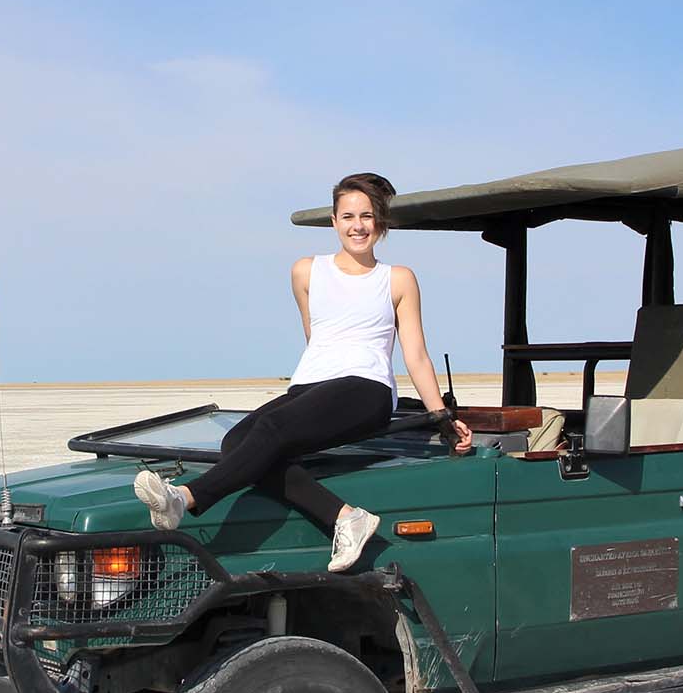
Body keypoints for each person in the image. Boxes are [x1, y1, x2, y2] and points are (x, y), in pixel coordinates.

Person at [135, 172, 473, 572]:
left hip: (367, 388)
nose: (357, 225)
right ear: (334, 221)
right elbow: (317, 338)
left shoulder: (397, 279)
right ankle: (347, 517)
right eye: (348, 216)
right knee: (237, 441)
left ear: (380, 223)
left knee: (270, 432)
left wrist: (442, 416)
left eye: (366, 216)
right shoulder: (307, 272)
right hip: (312, 385)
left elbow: (416, 354)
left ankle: (185, 499)